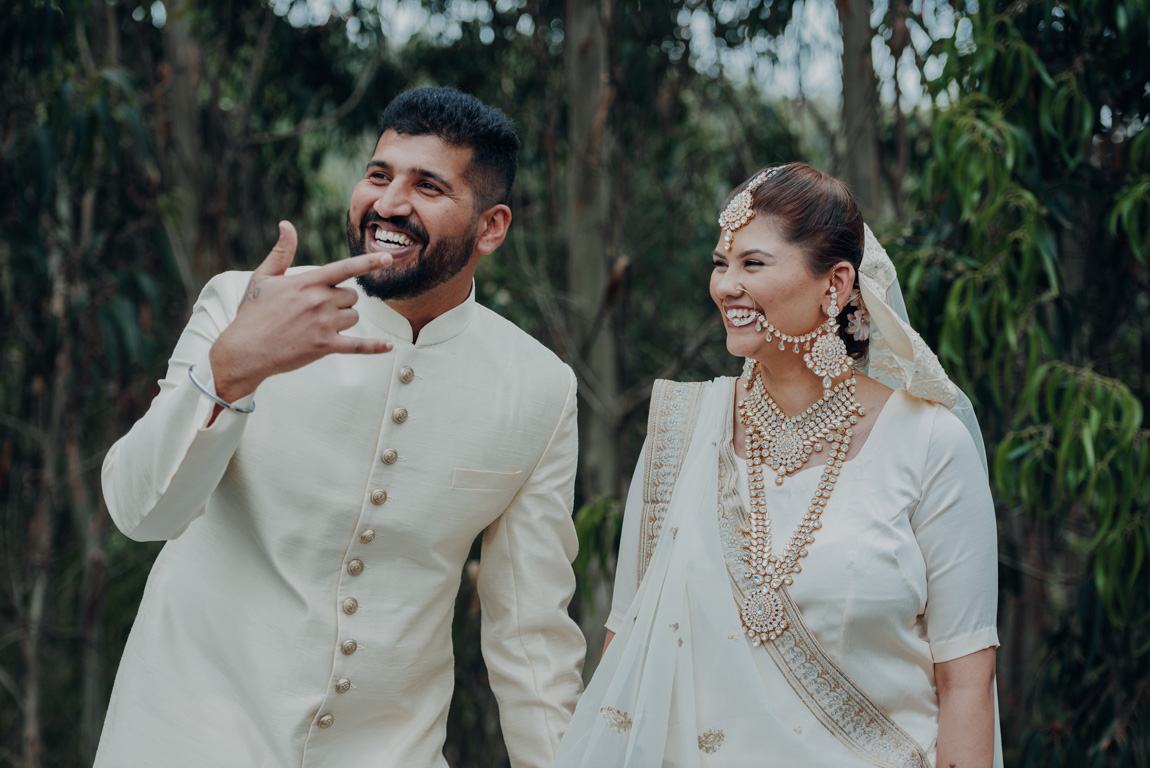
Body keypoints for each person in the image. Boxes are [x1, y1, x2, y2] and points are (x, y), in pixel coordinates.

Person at [96, 87, 585, 768]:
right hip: (192, 739)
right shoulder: (246, 303)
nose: (387, 204)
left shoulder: (540, 388)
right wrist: (227, 371)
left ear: (491, 227)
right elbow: (139, 511)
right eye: (379, 175)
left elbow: (530, 637)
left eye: (427, 186)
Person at [555, 163, 1001, 767]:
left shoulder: (930, 443)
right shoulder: (683, 432)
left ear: (836, 284)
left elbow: (966, 681)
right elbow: (627, 648)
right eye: (720, 263)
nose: (725, 286)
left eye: (753, 264)